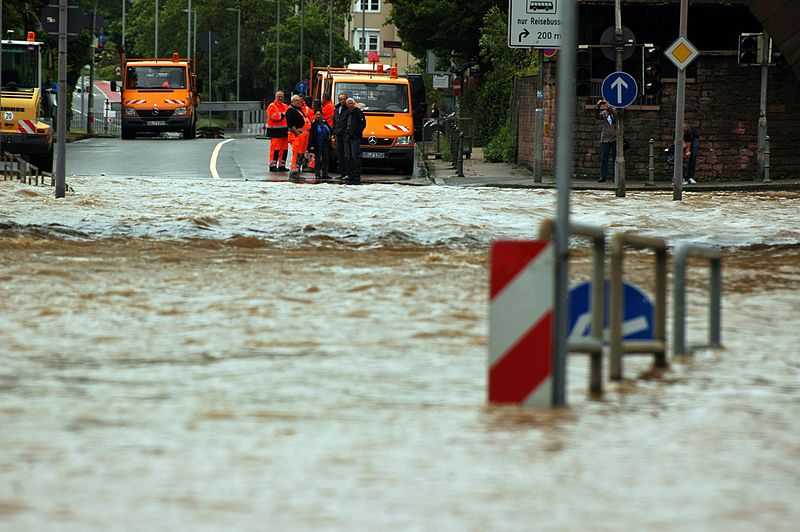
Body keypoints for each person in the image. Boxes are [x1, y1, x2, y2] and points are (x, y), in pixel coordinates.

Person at [285, 94, 311, 181]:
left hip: (304, 135)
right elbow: (290, 124)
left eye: (299, 100)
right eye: (296, 100)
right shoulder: (290, 110)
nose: (298, 102)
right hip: (299, 135)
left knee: (301, 154)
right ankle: (294, 172)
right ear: (292, 101)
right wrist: (297, 134)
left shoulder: (299, 110)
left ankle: (297, 171)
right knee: (297, 153)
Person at [343, 98, 366, 185]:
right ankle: (350, 174)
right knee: (347, 156)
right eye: (348, 104)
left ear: (354, 103)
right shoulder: (347, 112)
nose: (350, 105)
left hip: (355, 137)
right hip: (347, 136)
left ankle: (357, 174)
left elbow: (363, 124)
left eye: (351, 103)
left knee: (354, 156)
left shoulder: (358, 112)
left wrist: (356, 133)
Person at [266, 90, 289, 172]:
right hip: (275, 131)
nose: (280, 98)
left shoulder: (286, 106)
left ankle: (282, 165)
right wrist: (283, 114)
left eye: (282, 96)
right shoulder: (272, 106)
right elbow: (274, 117)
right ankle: (273, 165)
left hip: (284, 131)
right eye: (279, 96)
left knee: (284, 149)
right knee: (275, 149)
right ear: (275, 97)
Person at [595, 99, 617, 183]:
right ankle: (603, 176)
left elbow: (616, 116)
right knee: (604, 158)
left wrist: (609, 108)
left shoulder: (617, 111)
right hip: (605, 139)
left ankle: (615, 176)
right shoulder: (604, 113)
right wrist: (598, 106)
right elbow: (597, 116)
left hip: (615, 138)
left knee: (615, 159)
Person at [308, 110, 332, 181]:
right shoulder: (313, 124)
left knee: (326, 159)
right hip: (317, 144)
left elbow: (330, 131)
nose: (318, 116)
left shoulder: (325, 122)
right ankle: (317, 174)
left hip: (326, 144)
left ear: (322, 115)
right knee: (317, 160)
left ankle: (325, 174)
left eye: (319, 114)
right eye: (317, 114)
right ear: (315, 115)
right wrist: (311, 145)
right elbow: (311, 135)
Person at [333, 92, 350, 180]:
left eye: (344, 99)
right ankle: (342, 173)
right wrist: (334, 132)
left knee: (346, 155)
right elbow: (335, 121)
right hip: (338, 135)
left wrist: (347, 132)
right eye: (341, 99)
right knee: (340, 154)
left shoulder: (348, 110)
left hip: (345, 135)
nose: (342, 101)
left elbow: (348, 123)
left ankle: (347, 173)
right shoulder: (336, 109)